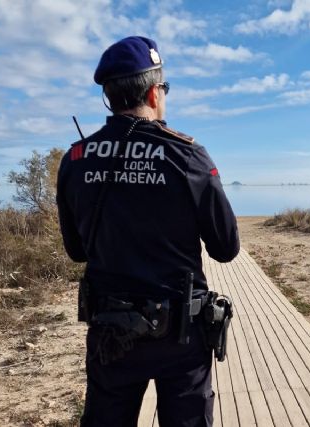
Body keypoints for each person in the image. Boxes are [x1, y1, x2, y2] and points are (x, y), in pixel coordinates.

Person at [56, 36, 240, 427]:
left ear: (109, 97)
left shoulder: (75, 158)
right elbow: (225, 248)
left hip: (111, 332)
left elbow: (76, 251)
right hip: (181, 337)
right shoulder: (187, 155)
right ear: (155, 92)